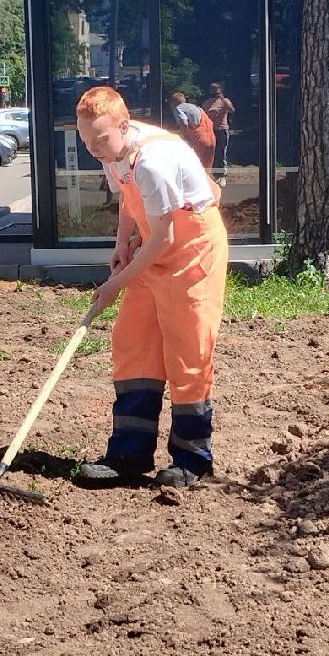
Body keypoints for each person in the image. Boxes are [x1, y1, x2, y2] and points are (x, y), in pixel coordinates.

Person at [74, 86, 229, 489]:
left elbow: (165, 237)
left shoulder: (153, 162)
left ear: (124, 126)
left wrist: (114, 285)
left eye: (99, 140)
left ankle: (192, 460)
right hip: (153, 246)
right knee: (134, 341)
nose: (93, 149)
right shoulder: (111, 150)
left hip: (192, 251)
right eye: (86, 141)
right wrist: (121, 244)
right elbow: (130, 200)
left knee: (187, 351)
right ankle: (128, 455)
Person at [169, 91, 216, 170]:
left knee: (195, 167)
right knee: (207, 168)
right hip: (211, 138)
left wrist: (182, 136)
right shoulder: (196, 107)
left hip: (199, 139)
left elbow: (184, 123)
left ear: (173, 102)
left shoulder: (178, 108)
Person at [201, 82, 235, 187]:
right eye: (213, 92)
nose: (215, 95)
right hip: (209, 130)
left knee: (221, 152)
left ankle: (221, 175)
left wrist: (223, 100)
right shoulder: (206, 103)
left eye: (217, 92)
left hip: (221, 130)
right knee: (210, 152)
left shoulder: (225, 101)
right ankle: (211, 175)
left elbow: (232, 110)